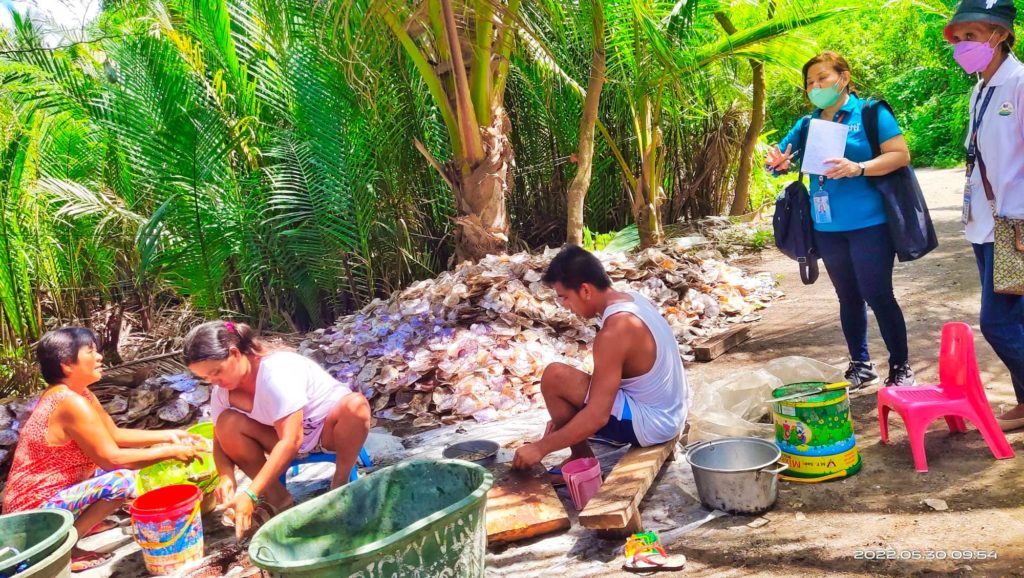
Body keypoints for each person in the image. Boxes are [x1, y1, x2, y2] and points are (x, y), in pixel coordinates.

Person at [765, 51, 917, 389]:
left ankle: (901, 366)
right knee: (848, 297)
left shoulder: (870, 113)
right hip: (827, 227)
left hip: (870, 224)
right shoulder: (808, 124)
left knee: (878, 293)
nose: (816, 86)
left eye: (823, 78)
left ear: (844, 78)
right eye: (810, 82)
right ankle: (860, 364)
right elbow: (775, 159)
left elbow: (900, 155)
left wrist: (858, 167)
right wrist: (777, 163)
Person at [2, 327, 204, 572]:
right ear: (67, 364)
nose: (99, 357)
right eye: (91, 352)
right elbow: (112, 458)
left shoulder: (79, 394)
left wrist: (172, 435)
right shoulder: (70, 402)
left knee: (113, 471)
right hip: (36, 509)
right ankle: (61, 547)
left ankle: (80, 523)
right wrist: (170, 451)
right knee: (121, 481)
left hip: (51, 493)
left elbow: (115, 435)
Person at [183, 321, 371, 539]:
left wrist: (251, 493)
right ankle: (277, 498)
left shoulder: (275, 372)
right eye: (206, 378)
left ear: (234, 353)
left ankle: (340, 485)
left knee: (356, 406)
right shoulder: (222, 393)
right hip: (280, 439)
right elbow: (219, 440)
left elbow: (292, 440)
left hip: (328, 431)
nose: (214, 381)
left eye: (216, 372)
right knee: (227, 424)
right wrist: (226, 477)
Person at [511, 246, 688, 476]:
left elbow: (597, 415)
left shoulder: (614, 331)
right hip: (672, 410)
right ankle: (579, 451)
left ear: (585, 290)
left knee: (555, 377)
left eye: (564, 297)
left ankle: (581, 458)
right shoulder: (633, 300)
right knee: (569, 384)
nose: (564, 305)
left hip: (654, 424)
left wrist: (541, 448)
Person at [944, 0, 1024, 431]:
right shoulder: (980, 89)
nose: (962, 45)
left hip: (1016, 224)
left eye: (971, 36)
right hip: (985, 222)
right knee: (1017, 318)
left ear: (998, 35)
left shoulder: (1020, 83)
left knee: (997, 322)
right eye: (959, 38)